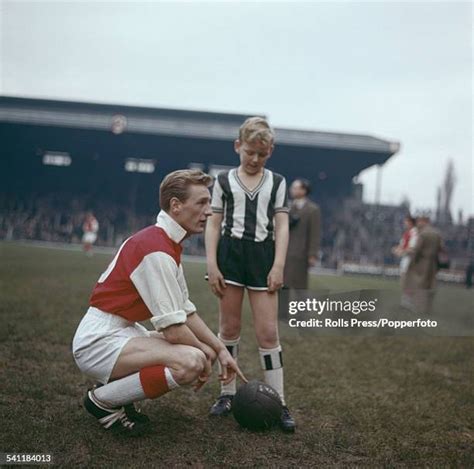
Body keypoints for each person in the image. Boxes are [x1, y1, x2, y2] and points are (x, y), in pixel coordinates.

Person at [72, 170, 246, 435]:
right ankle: (102, 402)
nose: (209, 212)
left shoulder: (164, 242)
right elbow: (174, 331)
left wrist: (220, 349)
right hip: (99, 339)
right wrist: (205, 353)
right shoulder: (156, 248)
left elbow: (185, 311)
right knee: (191, 361)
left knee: (197, 353)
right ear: (175, 206)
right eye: (201, 202)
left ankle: (116, 395)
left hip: (121, 330)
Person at [205, 117, 295, 432]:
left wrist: (279, 264)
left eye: (262, 154)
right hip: (229, 256)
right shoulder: (223, 181)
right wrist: (212, 264)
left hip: (262, 258)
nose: (255, 159)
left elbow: (282, 226)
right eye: (249, 152)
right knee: (228, 328)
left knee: (268, 333)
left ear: (270, 151)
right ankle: (227, 394)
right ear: (237, 147)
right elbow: (213, 224)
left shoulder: (278, 182)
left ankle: (281, 402)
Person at [284, 178, 321, 290]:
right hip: (284, 251)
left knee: (300, 286)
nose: (292, 190)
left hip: (301, 254)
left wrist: (312, 254)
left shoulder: (313, 210)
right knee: (283, 284)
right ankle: (282, 307)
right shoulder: (286, 207)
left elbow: (315, 233)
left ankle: (300, 307)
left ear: (304, 191)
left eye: (295, 188)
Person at [405, 216, 442, 314]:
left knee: (419, 284)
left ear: (423, 222)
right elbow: (441, 248)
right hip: (433, 263)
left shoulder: (423, 234)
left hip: (422, 262)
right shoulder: (437, 233)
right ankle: (428, 308)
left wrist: (412, 262)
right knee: (430, 285)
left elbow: (417, 250)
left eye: (419, 222)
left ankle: (419, 308)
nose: (417, 224)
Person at [392, 215, 418, 308]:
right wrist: (397, 249)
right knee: (404, 279)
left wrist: (401, 251)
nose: (404, 223)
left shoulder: (414, 233)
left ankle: (408, 300)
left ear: (410, 222)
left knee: (407, 280)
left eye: (406, 221)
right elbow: (402, 246)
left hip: (410, 259)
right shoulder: (407, 233)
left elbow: (412, 249)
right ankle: (406, 300)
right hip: (405, 259)